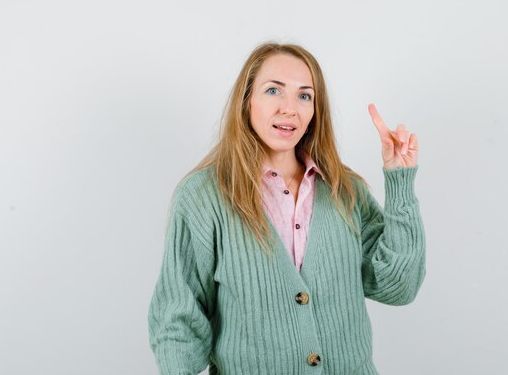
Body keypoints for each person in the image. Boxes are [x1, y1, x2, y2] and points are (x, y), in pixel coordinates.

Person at [147, 42, 426, 375]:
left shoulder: (345, 190)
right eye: (273, 91)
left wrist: (399, 180)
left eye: (304, 96)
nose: (289, 108)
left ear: (314, 112)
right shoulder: (203, 196)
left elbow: (399, 286)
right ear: (247, 100)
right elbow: (178, 320)